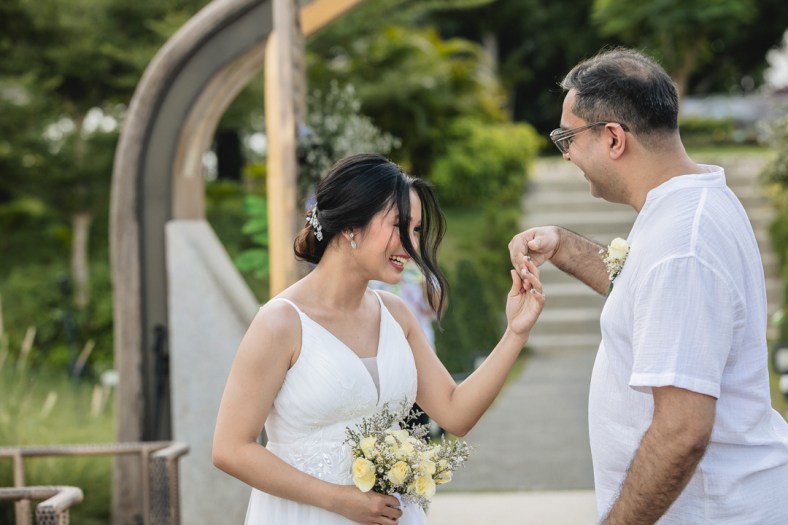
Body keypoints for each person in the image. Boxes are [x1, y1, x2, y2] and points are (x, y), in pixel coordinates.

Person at [509, 47, 788, 524]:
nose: (568, 154)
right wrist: (563, 245)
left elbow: (683, 431)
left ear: (614, 138)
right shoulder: (690, 203)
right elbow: (643, 293)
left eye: (568, 137)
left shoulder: (683, 246)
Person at [213, 153, 545, 525]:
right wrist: (337, 500)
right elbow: (230, 449)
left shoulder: (397, 315)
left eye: (417, 230)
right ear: (351, 226)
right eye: (400, 225)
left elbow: (455, 413)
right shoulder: (281, 322)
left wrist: (516, 332)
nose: (412, 244)